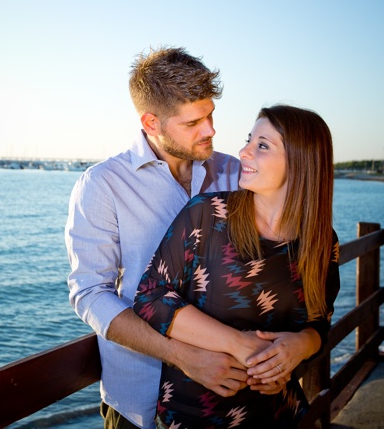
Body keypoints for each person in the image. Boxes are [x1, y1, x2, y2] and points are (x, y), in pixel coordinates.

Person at [65, 46, 250, 429]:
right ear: (151, 122)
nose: (211, 130)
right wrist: (181, 355)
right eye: (193, 122)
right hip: (139, 399)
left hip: (232, 394)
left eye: (211, 115)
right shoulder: (102, 185)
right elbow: (90, 293)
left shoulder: (236, 173)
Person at [134, 104, 341, 428]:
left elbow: (320, 323)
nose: (243, 152)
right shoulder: (207, 213)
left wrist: (298, 348)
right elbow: (149, 296)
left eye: (262, 145)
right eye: (249, 140)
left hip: (279, 415)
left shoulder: (321, 241)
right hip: (193, 417)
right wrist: (239, 344)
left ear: (301, 161)